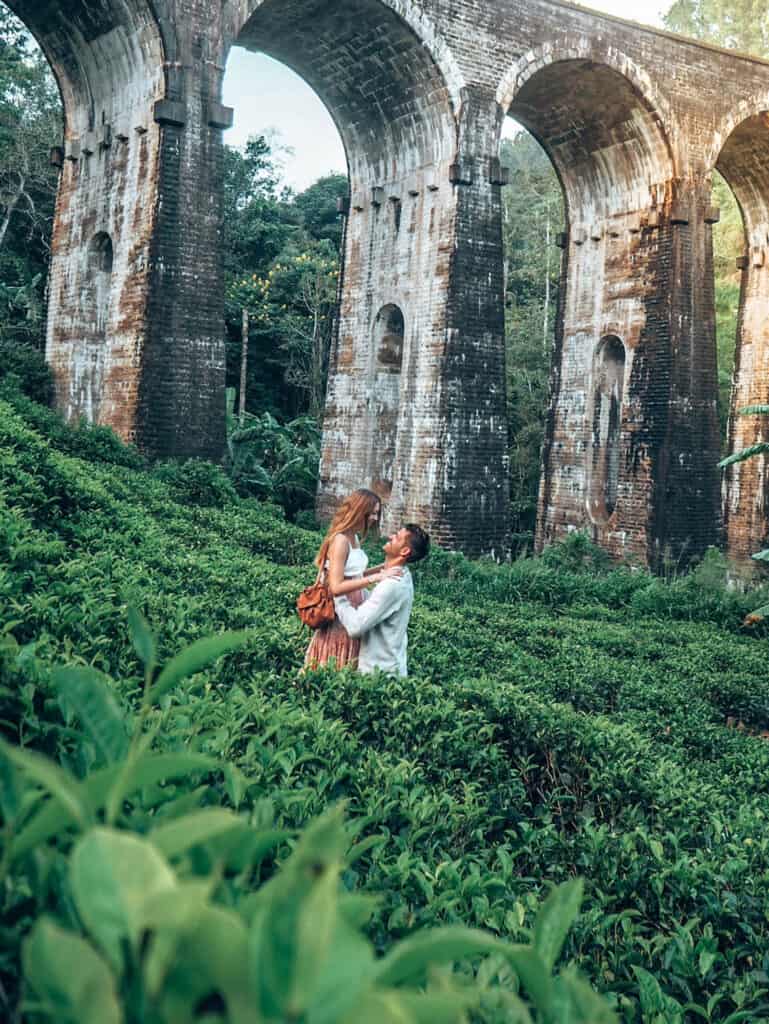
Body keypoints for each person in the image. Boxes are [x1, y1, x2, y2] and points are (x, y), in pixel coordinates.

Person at [303, 488, 401, 669]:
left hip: (355, 608)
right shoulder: (341, 541)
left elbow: (355, 575)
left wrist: (383, 568)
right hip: (341, 611)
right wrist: (377, 577)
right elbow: (336, 586)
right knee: (335, 658)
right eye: (371, 513)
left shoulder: (353, 537)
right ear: (359, 511)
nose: (374, 518)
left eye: (376, 513)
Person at [333, 524, 430, 677]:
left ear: (405, 551)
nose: (391, 537)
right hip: (389, 666)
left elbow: (355, 627)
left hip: (379, 674)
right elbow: (375, 604)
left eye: (397, 537)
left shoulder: (392, 585)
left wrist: (338, 597)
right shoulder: (401, 573)